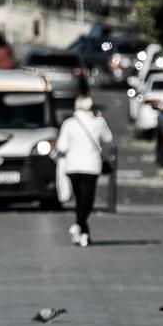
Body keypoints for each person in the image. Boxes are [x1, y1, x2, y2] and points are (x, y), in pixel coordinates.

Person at [54, 95, 113, 247]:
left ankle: (84, 233)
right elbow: (108, 138)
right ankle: (78, 225)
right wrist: (100, 118)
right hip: (91, 167)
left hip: (72, 166)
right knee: (87, 199)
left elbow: (61, 146)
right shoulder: (98, 122)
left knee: (80, 199)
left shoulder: (69, 123)